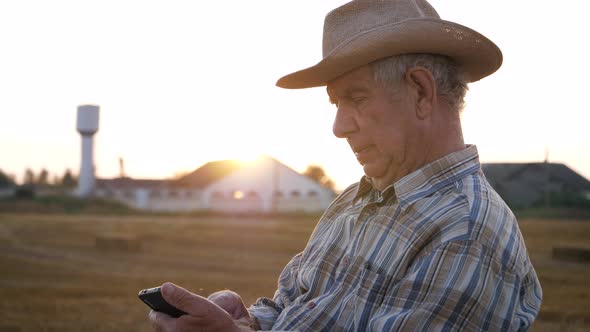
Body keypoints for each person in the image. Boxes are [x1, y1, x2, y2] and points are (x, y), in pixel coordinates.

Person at [149, 0, 542, 331]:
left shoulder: (465, 232)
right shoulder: (356, 199)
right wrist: (246, 322)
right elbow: (294, 308)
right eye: (336, 104)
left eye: (356, 98)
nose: (338, 128)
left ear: (421, 92)